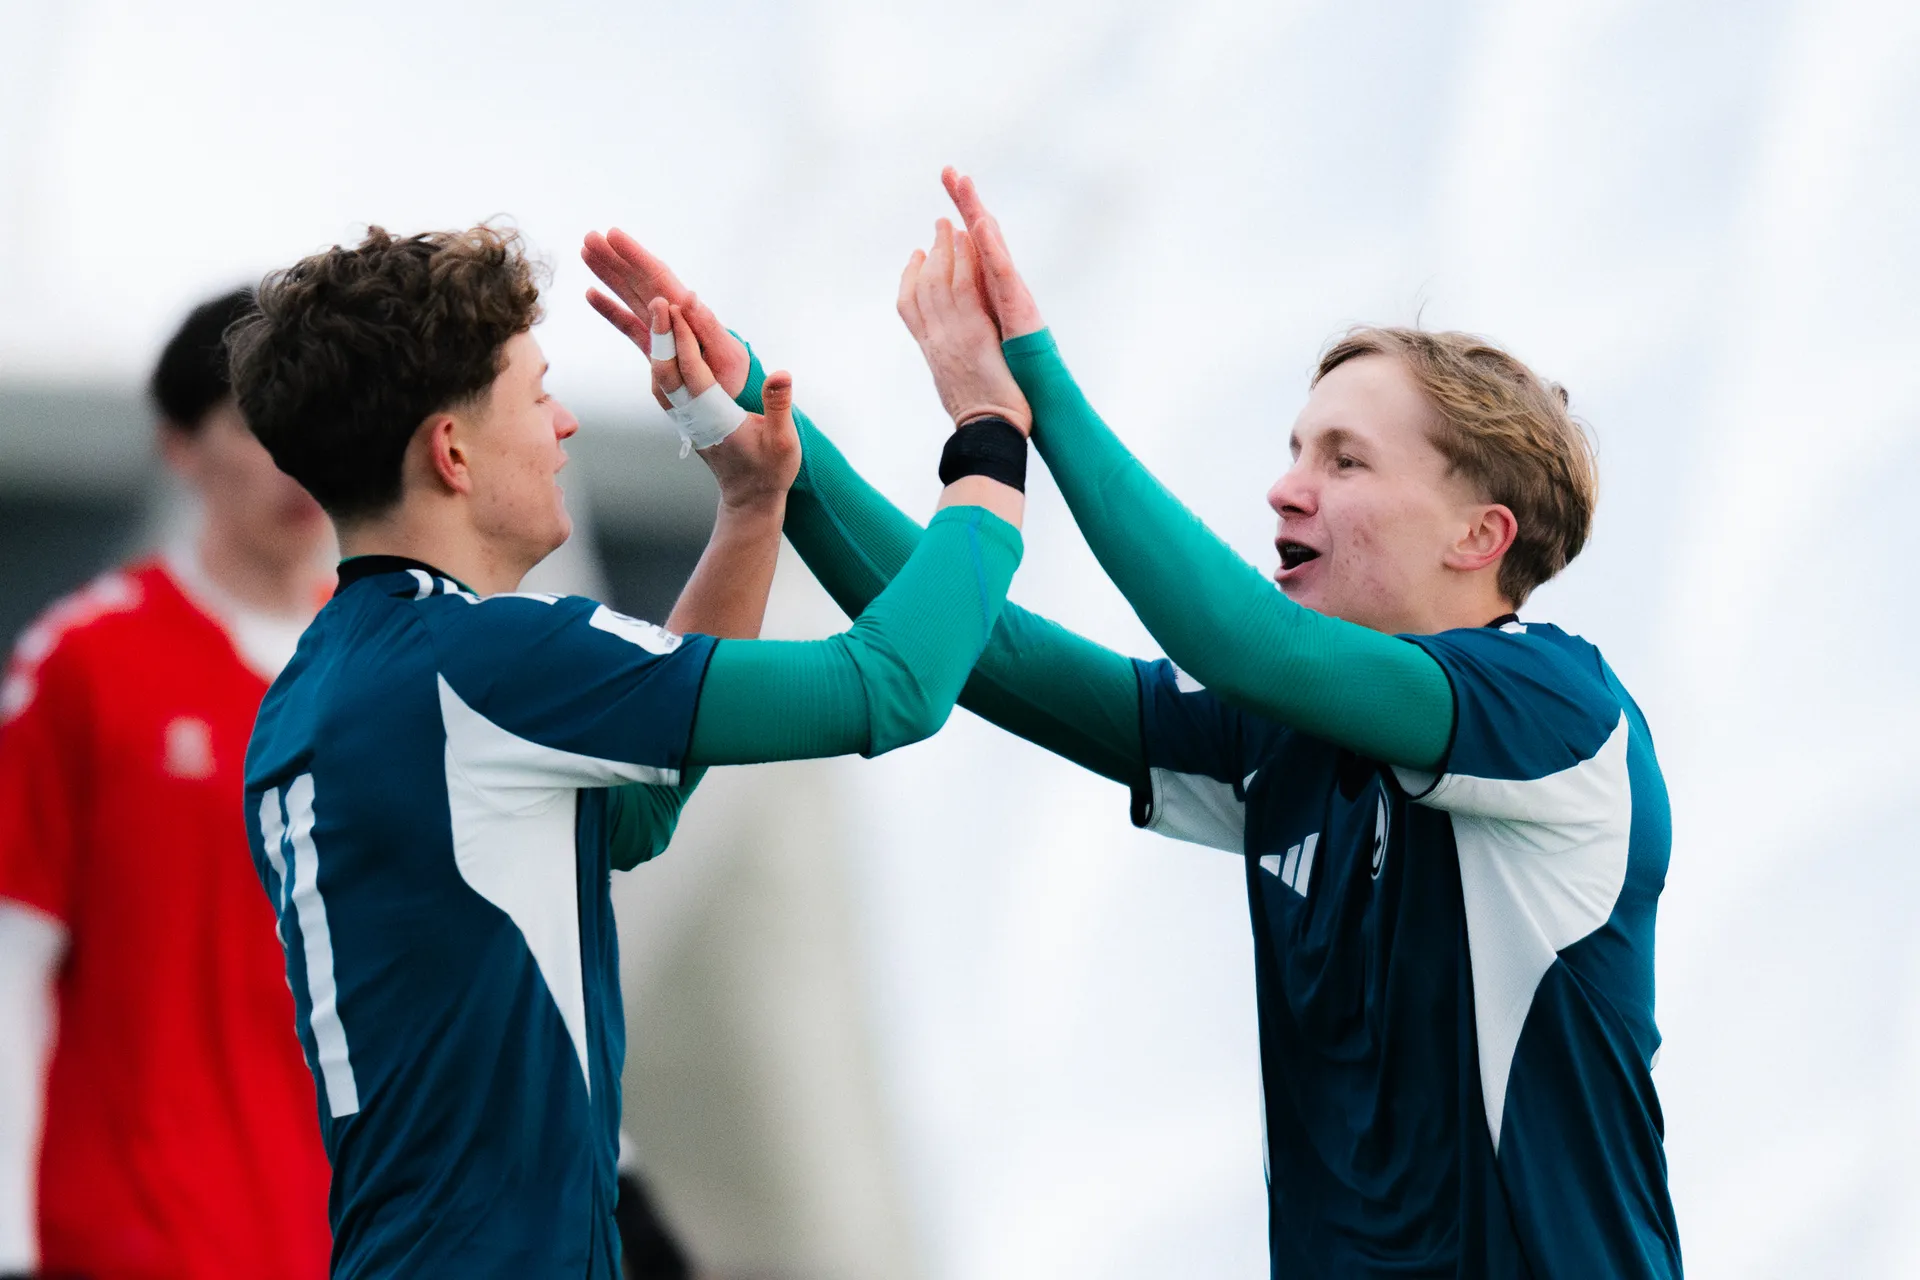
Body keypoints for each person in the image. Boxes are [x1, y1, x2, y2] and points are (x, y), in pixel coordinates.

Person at [582, 168, 1681, 1279]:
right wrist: (764, 420)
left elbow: (1237, 635)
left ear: (1478, 536)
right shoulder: (1282, 732)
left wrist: (1032, 391)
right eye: (1297, 449)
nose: (1286, 489)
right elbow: (992, 654)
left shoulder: (1555, 714)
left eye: (1344, 459)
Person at [226, 223, 1026, 1279]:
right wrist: (988, 434)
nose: (562, 426)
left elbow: (637, 811)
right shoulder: (485, 658)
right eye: (534, 393)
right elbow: (894, 686)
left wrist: (750, 511)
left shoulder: (312, 694)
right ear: (451, 452)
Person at [0, 290, 336, 1279]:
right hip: (130, 1237)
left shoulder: (401, 669)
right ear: (180, 449)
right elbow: (12, 965)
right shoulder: (87, 660)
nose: (295, 450)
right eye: (255, 417)